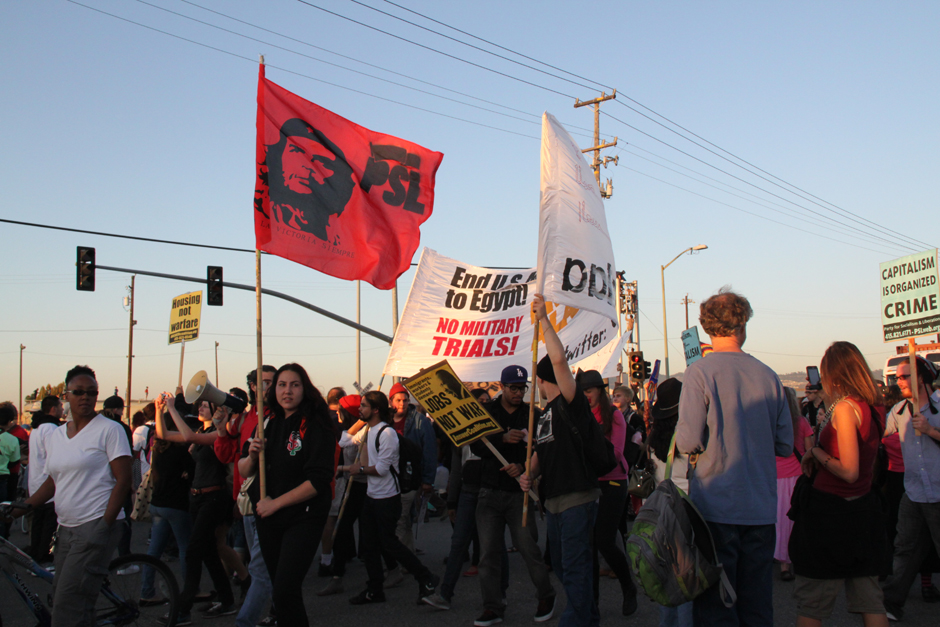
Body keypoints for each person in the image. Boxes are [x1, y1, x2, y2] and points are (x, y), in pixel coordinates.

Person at [675, 288, 792, 626]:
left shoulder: (699, 373)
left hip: (715, 506)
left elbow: (687, 440)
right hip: (759, 507)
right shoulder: (770, 376)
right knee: (757, 603)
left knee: (716, 605)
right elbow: (785, 444)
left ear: (708, 327)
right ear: (743, 325)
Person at [6, 365, 131, 627]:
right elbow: (53, 481)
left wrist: (104, 525)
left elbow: (124, 480)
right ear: (67, 395)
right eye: (78, 392)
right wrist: (19, 508)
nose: (85, 397)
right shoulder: (56, 436)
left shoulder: (110, 430)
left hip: (96, 523)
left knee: (66, 607)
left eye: (91, 392)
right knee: (73, 603)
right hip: (65, 528)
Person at [441, 365, 554, 625]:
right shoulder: (487, 412)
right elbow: (475, 445)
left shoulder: (532, 415)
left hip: (519, 492)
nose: (517, 393)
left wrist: (525, 468)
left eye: (522, 388)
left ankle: (546, 595)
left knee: (528, 549)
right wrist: (502, 438)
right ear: (502, 387)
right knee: (488, 554)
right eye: (513, 388)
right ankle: (492, 605)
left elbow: (545, 449)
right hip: (489, 490)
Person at [520, 294, 606, 627]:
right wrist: (528, 475)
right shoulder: (543, 416)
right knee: (566, 565)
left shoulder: (571, 403)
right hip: (553, 503)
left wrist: (544, 321)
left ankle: (577, 621)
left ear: (544, 381)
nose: (537, 387)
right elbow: (542, 452)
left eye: (538, 381)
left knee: (574, 568)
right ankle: (589, 618)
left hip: (576, 499)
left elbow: (558, 363)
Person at [789, 342, 889, 626]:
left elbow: (848, 470)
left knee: (812, 603)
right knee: (870, 600)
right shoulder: (873, 404)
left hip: (831, 514)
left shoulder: (846, 407)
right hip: (863, 509)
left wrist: (815, 452)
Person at [239, 363, 336, 627]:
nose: (287, 391)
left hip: (303, 516)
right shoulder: (267, 421)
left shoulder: (317, 422)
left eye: (294, 385)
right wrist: (252, 454)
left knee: (284, 589)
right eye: (281, 385)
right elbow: (244, 469)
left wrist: (275, 504)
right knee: (281, 594)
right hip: (269, 517)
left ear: (305, 388)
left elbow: (318, 480)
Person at [346, 390, 439, 606]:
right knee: (369, 545)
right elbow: (344, 440)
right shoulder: (369, 429)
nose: (360, 409)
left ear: (376, 410)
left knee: (389, 543)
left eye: (364, 406)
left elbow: (381, 469)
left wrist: (358, 469)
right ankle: (374, 589)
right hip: (372, 495)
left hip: (387, 498)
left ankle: (425, 577)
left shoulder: (386, 434)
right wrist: (360, 424)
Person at [156, 393, 236, 624]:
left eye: (205, 405)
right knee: (209, 551)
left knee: (193, 551)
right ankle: (227, 600)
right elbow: (163, 434)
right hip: (198, 497)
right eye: (199, 405)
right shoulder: (201, 433)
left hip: (214, 496)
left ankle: (182, 609)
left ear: (216, 410)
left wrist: (171, 408)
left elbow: (187, 435)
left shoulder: (219, 433)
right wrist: (160, 410)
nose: (200, 408)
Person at [214, 365, 276, 627]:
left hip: (268, 498)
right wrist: (219, 428)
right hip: (245, 497)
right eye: (262, 382)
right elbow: (229, 455)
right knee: (264, 562)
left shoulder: (277, 417)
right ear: (252, 386)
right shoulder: (245, 419)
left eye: (273, 382)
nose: (268, 387)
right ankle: (277, 610)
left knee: (260, 566)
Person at [881, 356, 940, 621]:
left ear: (923, 378)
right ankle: (891, 603)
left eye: (905, 376)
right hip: (913, 491)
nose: (899, 381)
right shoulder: (899, 411)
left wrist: (931, 430)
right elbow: (880, 435)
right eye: (898, 377)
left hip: (939, 492)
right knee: (904, 548)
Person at [578, 369, 638, 617]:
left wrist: (587, 453)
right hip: (590, 483)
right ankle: (593, 604)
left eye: (589, 391)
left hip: (613, 482)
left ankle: (628, 586)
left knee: (604, 539)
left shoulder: (614, 416)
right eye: (582, 392)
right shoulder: (581, 415)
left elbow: (615, 453)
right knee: (589, 546)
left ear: (599, 391)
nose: (586, 396)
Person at [256, 117, 357, 241]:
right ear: (278, 156)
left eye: (319, 161)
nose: (306, 166)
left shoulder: (337, 232)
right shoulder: (268, 210)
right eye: (296, 151)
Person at [646, 377, 692, 627]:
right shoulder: (688, 438)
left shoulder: (654, 440)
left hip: (662, 512)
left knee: (669, 581)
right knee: (688, 581)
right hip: (687, 510)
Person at [141, 400, 194, 605]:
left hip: (158, 503)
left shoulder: (158, 450)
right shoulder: (181, 452)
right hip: (176, 504)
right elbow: (192, 472)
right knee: (184, 548)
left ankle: (146, 591)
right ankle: (190, 589)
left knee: (154, 550)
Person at [320, 394, 369, 597]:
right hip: (350, 484)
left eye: (340, 410)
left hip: (365, 487)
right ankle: (337, 574)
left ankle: (394, 570)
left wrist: (341, 467)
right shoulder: (350, 431)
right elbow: (343, 441)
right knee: (341, 529)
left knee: (374, 534)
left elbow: (363, 466)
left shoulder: (366, 433)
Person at [387, 382, 438, 558]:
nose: (402, 404)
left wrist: (427, 480)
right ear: (390, 401)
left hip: (410, 478)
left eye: (405, 400)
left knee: (400, 520)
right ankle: (407, 557)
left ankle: (401, 562)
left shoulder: (420, 421)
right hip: (390, 479)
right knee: (403, 521)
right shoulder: (386, 422)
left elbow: (430, 451)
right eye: (398, 400)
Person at [775, 388, 814, 582]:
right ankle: (795, 559)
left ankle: (780, 560)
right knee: (795, 520)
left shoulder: (771, 422)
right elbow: (809, 450)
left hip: (774, 477)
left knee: (777, 520)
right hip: (797, 475)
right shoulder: (802, 423)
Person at [27, 395, 63, 563]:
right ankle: (43, 559)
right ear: (53, 409)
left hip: (35, 482)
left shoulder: (36, 428)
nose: (63, 409)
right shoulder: (50, 428)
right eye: (61, 406)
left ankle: (35, 557)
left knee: (38, 525)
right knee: (48, 526)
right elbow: (54, 457)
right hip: (47, 485)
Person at [0, 403, 22, 538]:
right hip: (2, 480)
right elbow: (15, 461)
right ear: (9, 422)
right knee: (1, 515)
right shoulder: (12, 439)